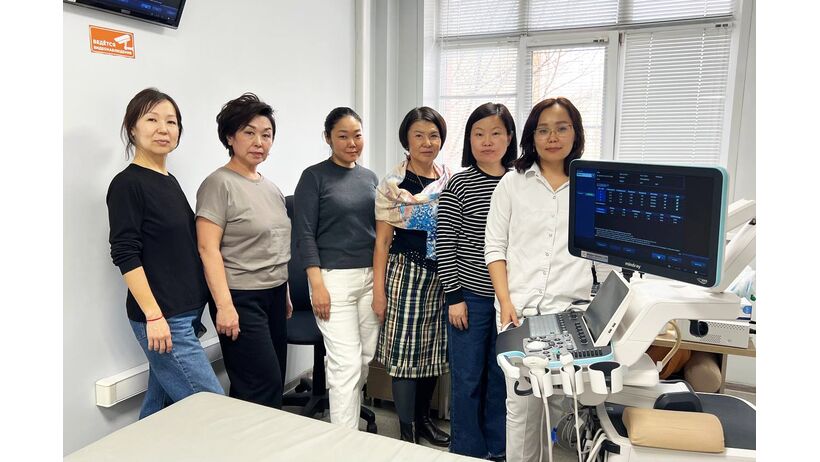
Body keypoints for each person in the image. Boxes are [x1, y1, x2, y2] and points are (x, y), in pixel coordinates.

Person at [485, 97, 593, 462]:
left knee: (562, 409)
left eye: (561, 128)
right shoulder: (512, 183)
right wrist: (505, 302)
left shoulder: (588, 184)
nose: (552, 137)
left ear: (575, 133)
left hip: (570, 312)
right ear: (532, 136)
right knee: (521, 410)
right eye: (543, 130)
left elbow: (602, 250)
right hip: (520, 312)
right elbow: (495, 248)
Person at [106, 88, 224, 419]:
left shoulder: (168, 180)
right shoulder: (127, 184)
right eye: (152, 119)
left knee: (159, 411)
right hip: (164, 319)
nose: (163, 129)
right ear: (132, 128)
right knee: (214, 411)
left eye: (171, 122)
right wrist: (154, 317)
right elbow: (125, 253)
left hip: (185, 314)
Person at [195, 93, 292, 409]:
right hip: (240, 297)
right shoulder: (218, 184)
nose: (259, 142)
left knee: (267, 382)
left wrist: (284, 291)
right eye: (249, 133)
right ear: (229, 136)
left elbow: (274, 244)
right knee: (262, 385)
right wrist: (224, 306)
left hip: (274, 294)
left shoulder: (271, 187)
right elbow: (208, 249)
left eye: (266, 135)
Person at [437, 103, 517, 460]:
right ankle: (467, 451)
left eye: (496, 133)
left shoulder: (518, 182)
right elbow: (445, 244)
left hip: (510, 300)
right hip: (470, 298)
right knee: (468, 378)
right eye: (479, 134)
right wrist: (454, 297)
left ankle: (499, 450)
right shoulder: (459, 183)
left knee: (502, 378)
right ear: (469, 140)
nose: (487, 141)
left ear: (509, 138)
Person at [293, 107, 380, 430]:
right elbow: (304, 234)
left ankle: (343, 422)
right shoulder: (313, 177)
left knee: (363, 360)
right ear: (328, 138)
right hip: (333, 281)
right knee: (346, 365)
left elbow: (377, 232)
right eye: (342, 136)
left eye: (357, 135)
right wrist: (316, 285)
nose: (351, 143)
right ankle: (345, 442)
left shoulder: (370, 178)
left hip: (369, 278)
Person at [372, 107, 452, 446]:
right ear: (406, 139)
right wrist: (379, 292)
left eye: (433, 135)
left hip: (442, 276)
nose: (426, 142)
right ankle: (408, 432)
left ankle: (424, 420)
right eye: (418, 135)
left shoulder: (449, 180)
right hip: (405, 273)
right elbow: (382, 243)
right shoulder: (392, 186)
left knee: (432, 353)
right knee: (405, 357)